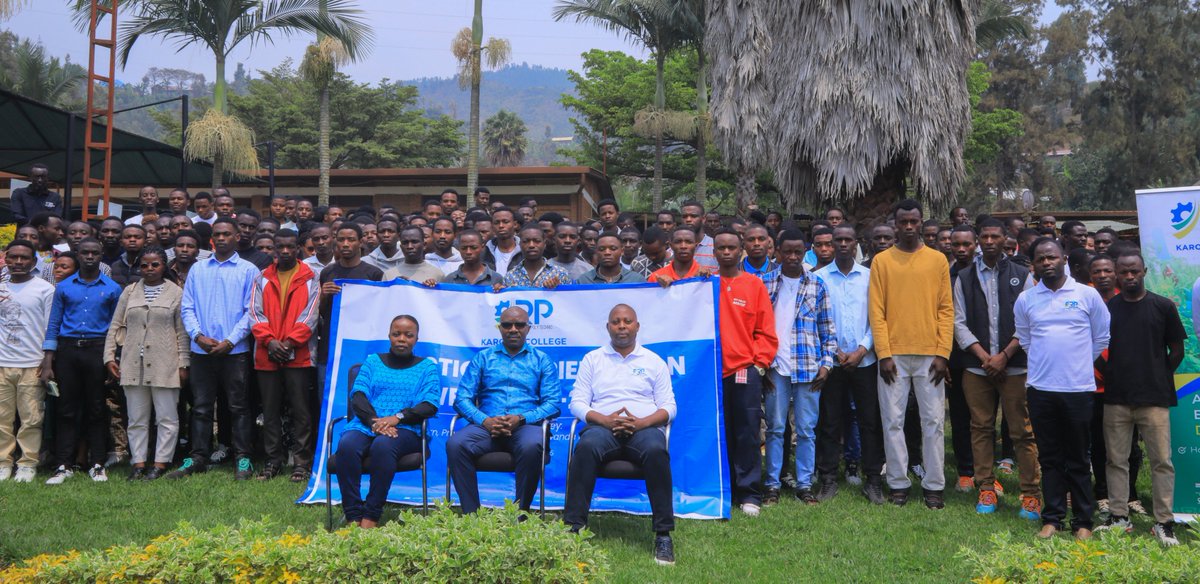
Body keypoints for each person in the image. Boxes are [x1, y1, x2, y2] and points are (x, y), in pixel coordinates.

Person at [564, 304, 677, 565]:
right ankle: (573, 529)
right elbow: (577, 402)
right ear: (608, 327)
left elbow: (669, 407)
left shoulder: (653, 361)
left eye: (627, 321)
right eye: (616, 322)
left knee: (657, 451)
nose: (622, 326)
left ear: (637, 326)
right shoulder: (593, 359)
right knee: (585, 447)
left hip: (643, 428)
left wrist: (641, 423)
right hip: (603, 428)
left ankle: (663, 535)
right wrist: (605, 420)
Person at [1014, 238, 1110, 540]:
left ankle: (1083, 521)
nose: (1047, 263)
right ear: (1034, 264)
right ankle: (1053, 518)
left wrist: (1076, 364)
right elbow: (1026, 340)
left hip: (1079, 389)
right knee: (1050, 457)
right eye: (1040, 259)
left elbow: (1101, 339)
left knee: (1079, 457)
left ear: (1064, 258)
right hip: (1041, 389)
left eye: (1052, 257)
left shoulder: (1087, 295)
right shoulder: (1026, 299)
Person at [868, 199, 954, 509]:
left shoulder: (937, 260)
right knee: (893, 421)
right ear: (895, 224)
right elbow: (876, 311)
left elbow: (946, 309)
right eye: (902, 221)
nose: (908, 227)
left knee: (932, 422)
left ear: (921, 224)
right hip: (893, 357)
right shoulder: (882, 261)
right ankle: (898, 483)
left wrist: (943, 353)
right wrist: (884, 354)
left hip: (931, 356)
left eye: (913, 222)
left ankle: (934, 485)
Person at [952, 219, 1040, 519]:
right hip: (977, 368)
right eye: (985, 236)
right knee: (980, 427)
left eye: (995, 236)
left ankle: (1030, 493)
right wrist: (985, 357)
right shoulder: (963, 277)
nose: (989, 241)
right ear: (978, 240)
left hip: (1014, 366)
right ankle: (986, 486)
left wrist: (1004, 355)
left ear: (1006, 239)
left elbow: (1029, 322)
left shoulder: (1021, 274)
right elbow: (958, 322)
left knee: (1022, 431)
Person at [1096, 252, 1185, 545]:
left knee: (1162, 461)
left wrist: (1158, 376)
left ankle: (1163, 522)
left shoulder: (1162, 306)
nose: (1130, 276)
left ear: (1144, 270)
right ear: (1117, 274)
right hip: (1117, 398)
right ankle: (1119, 517)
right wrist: (1111, 375)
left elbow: (1177, 350)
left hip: (1154, 398)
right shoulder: (1109, 308)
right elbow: (1095, 347)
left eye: (1135, 271)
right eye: (1124, 272)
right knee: (1116, 460)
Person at [168, 218, 261, 481]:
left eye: (226, 234)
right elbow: (187, 307)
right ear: (212, 239)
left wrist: (230, 340)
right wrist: (197, 336)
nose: (221, 238)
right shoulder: (198, 269)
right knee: (201, 407)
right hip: (202, 351)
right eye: (217, 234)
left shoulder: (249, 270)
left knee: (239, 407)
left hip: (235, 351)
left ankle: (242, 457)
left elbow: (251, 311)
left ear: (236, 237)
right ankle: (198, 457)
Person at [448, 306, 559, 514]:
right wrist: (485, 420)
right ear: (500, 328)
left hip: (525, 426)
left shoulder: (541, 360)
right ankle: (472, 515)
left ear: (529, 328)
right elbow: (462, 398)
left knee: (532, 445)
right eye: (507, 325)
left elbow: (552, 403)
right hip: (486, 426)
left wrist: (521, 418)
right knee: (456, 444)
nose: (513, 329)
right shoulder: (483, 358)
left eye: (519, 325)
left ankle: (520, 514)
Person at [334, 315, 439, 528]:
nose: (402, 339)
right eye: (396, 334)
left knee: (383, 445)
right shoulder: (373, 361)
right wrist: (375, 422)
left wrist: (396, 418)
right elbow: (359, 396)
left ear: (416, 339)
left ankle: (371, 516)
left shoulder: (427, 367)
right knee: (347, 445)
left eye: (408, 335)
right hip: (366, 424)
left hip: (406, 429)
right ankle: (353, 515)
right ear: (389, 336)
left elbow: (430, 404)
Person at [759, 230, 836, 505]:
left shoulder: (817, 285)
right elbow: (755, 328)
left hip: (808, 368)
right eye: (787, 251)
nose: (792, 257)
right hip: (774, 368)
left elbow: (827, 329)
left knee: (805, 429)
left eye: (798, 252)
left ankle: (804, 484)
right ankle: (772, 485)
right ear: (776, 250)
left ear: (806, 252)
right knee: (776, 428)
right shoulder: (764, 283)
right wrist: (761, 366)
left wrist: (826, 365)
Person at [41, 238, 123, 484]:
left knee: (96, 407)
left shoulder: (112, 288)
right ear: (77, 254)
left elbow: (116, 328)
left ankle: (97, 463)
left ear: (101, 256)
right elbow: (54, 323)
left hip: (97, 349)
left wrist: (111, 358)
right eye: (85, 252)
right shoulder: (64, 287)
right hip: (68, 350)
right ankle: (63, 464)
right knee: (67, 409)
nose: (89, 257)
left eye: (94, 253)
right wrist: (48, 360)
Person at [102, 247, 188, 481]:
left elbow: (182, 332)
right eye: (144, 265)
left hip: (165, 363)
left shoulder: (176, 293)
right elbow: (115, 325)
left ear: (164, 266)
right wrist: (109, 356)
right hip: (132, 363)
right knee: (137, 418)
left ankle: (160, 463)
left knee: (166, 418)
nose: (149, 269)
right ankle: (138, 463)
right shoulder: (130, 292)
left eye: (155, 265)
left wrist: (183, 364)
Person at [814, 225, 886, 504]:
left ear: (856, 243)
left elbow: (877, 316)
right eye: (838, 240)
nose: (843, 244)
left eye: (848, 239)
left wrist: (861, 350)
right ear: (830, 244)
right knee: (830, 422)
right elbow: (818, 320)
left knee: (870, 422)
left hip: (864, 361)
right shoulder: (818, 278)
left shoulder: (870, 277)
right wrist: (835, 352)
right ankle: (828, 479)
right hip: (831, 363)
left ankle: (873, 480)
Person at [711, 229, 777, 516]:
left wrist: (759, 364)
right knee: (715, 432)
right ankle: (722, 488)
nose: (726, 252)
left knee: (747, 432)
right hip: (708, 373)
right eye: (721, 248)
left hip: (742, 371)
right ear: (713, 252)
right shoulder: (704, 283)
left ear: (741, 251)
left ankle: (750, 492)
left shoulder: (754, 285)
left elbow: (766, 330)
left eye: (731, 248)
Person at [250, 230, 320, 483]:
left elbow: (310, 315)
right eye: (281, 247)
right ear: (274, 248)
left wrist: (289, 343)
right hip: (267, 353)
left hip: (298, 354)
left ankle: (301, 462)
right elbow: (255, 314)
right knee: (270, 411)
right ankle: (273, 461)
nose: (286, 251)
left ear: (298, 248)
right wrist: (270, 342)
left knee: (301, 411)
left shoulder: (312, 276)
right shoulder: (262, 277)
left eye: (291, 246)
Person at [0, 240, 55, 483]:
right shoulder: (1, 288)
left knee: (32, 418)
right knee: (2, 418)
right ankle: (4, 462)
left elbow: (50, 329)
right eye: (13, 257)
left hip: (32, 363)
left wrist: (47, 361)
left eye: (24, 258)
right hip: (2, 363)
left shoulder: (45, 289)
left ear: (33, 262)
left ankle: (27, 463)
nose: (19, 262)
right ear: (6, 260)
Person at [317, 224, 385, 391]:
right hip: (331, 345)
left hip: (362, 344)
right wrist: (324, 295)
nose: (345, 244)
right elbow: (320, 313)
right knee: (327, 393)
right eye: (341, 240)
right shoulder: (327, 273)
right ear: (335, 242)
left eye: (351, 239)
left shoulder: (373, 274)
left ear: (360, 242)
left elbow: (381, 311)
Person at [500, 225, 567, 289]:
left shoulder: (559, 273)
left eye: (537, 241)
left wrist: (558, 288)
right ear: (520, 244)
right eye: (526, 241)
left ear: (544, 244)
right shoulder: (510, 276)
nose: (531, 245)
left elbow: (568, 298)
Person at [577, 234, 644, 284]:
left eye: (613, 249)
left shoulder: (636, 280)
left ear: (622, 251)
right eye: (602, 249)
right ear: (596, 252)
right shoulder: (583, 280)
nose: (607, 253)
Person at [482, 208, 521, 276]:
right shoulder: (484, 252)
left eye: (505, 222)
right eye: (496, 223)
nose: (501, 226)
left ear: (515, 224)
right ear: (492, 226)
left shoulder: (524, 251)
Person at [680, 200, 718, 269]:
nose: (688, 219)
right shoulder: (674, 249)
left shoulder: (716, 246)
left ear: (703, 219)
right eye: (685, 216)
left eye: (693, 216)